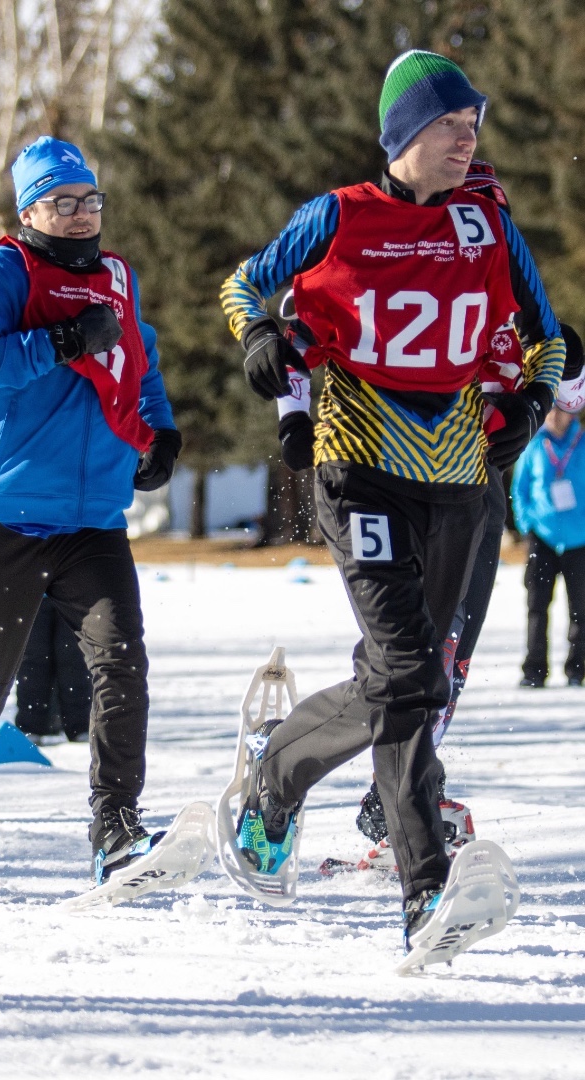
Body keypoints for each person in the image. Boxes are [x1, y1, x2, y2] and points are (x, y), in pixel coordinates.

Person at [220, 51, 564, 955]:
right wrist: (258, 333)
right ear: (406, 132)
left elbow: (550, 339)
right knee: (411, 671)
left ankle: (273, 774)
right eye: (452, 125)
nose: (468, 140)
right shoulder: (337, 214)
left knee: (415, 675)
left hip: (456, 480)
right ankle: (425, 892)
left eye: (474, 127)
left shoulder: (485, 223)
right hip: (358, 465)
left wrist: (529, 402)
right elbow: (244, 282)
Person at [0, 135, 181, 895]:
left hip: (93, 516)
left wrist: (160, 431)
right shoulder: (1, 270)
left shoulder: (118, 278)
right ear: (28, 210)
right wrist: (61, 339)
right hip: (3, 510)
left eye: (88, 200)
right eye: (60, 203)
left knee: (121, 665)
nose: (78, 215)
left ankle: (115, 829)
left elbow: (140, 359)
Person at [511, 401, 585, 688]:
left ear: (573, 411)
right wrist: (526, 522)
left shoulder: (581, 442)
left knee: (580, 608)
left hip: (579, 540)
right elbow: (520, 489)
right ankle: (534, 670)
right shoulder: (534, 445)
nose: (554, 415)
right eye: (550, 409)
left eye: (561, 409)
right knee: (537, 605)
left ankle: (577, 669)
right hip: (542, 538)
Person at [14, 595, 91, 743]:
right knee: (33, 660)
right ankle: (31, 726)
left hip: (72, 592)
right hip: (32, 591)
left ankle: (80, 725)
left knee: (74, 658)